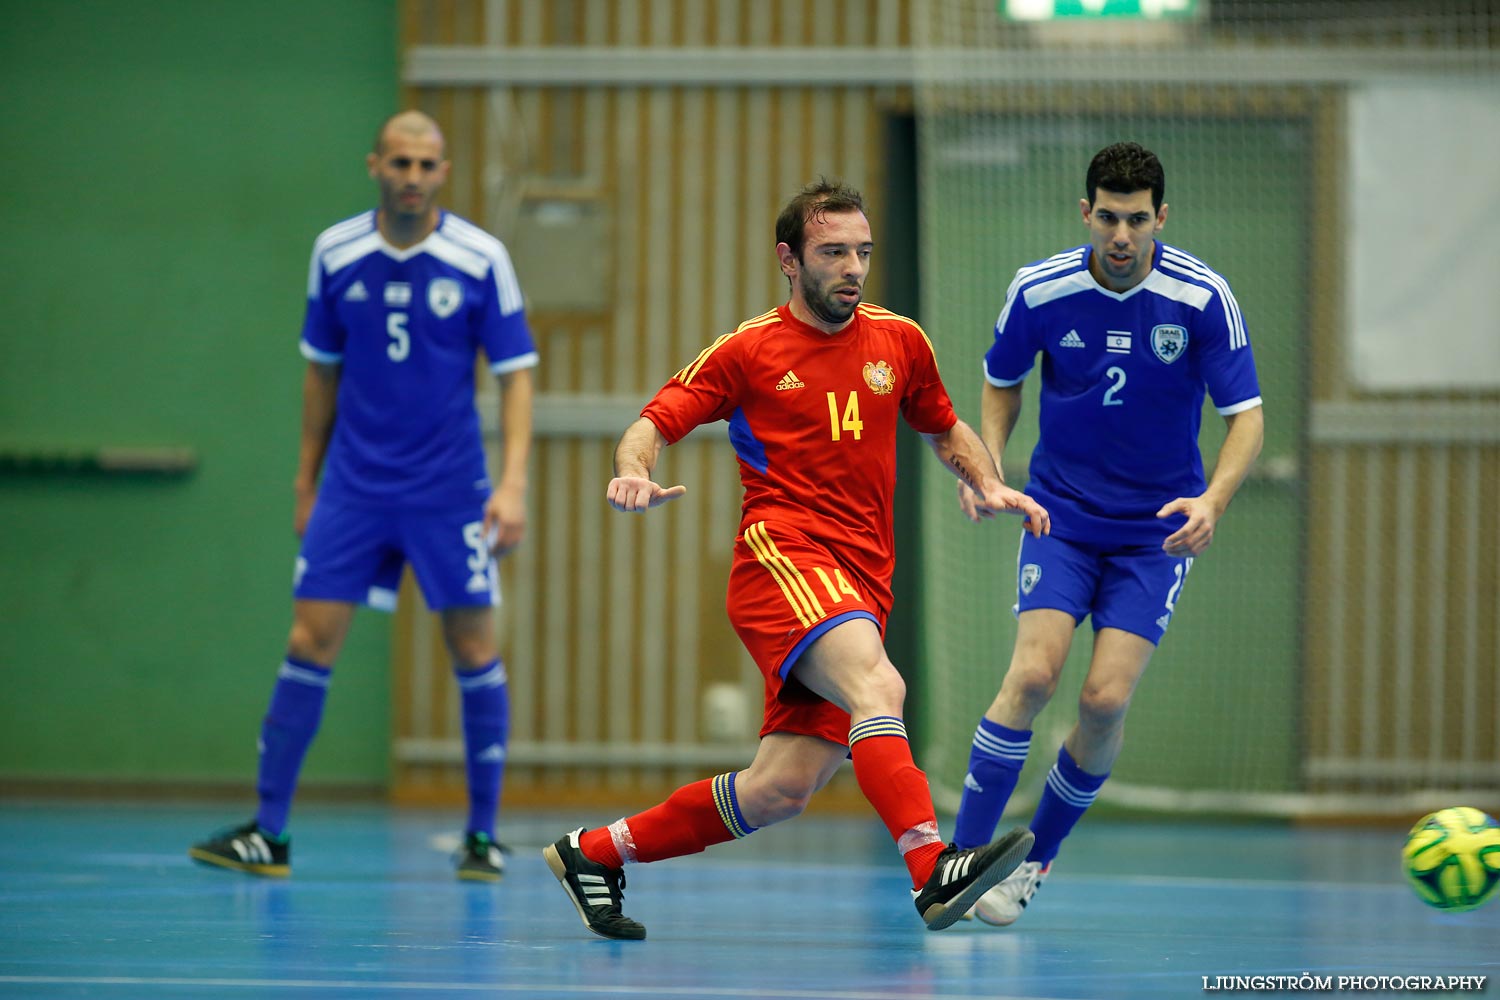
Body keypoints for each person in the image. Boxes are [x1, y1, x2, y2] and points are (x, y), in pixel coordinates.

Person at [540, 179, 1050, 941]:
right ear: (789, 259)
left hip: (861, 576)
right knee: (880, 682)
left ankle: (593, 853)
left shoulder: (900, 342)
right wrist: (635, 469)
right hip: (781, 557)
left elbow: (943, 427)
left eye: (863, 252)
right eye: (833, 251)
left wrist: (986, 481)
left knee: (780, 788)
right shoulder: (750, 350)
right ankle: (930, 866)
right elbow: (654, 421)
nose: (853, 267)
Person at [189, 111, 537, 882]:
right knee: (308, 643)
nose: (413, 176)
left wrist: (511, 484)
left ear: (444, 172)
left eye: (427, 164)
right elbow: (320, 373)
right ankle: (269, 833)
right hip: (354, 485)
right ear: (374, 165)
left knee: (475, 649)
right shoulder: (335, 252)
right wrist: (306, 480)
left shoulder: (481, 258)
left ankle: (482, 838)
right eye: (400, 162)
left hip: (450, 490)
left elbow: (516, 375)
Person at [949, 141, 1265, 925]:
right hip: (1060, 518)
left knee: (1102, 699)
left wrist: (1212, 504)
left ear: (1161, 217)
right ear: (1085, 213)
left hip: (1153, 536)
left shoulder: (1202, 299)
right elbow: (1000, 379)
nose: (1121, 236)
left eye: (1137, 220)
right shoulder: (1041, 289)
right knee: (1031, 678)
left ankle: (1035, 861)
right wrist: (989, 471)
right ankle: (954, 864)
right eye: (1108, 218)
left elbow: (1247, 420)